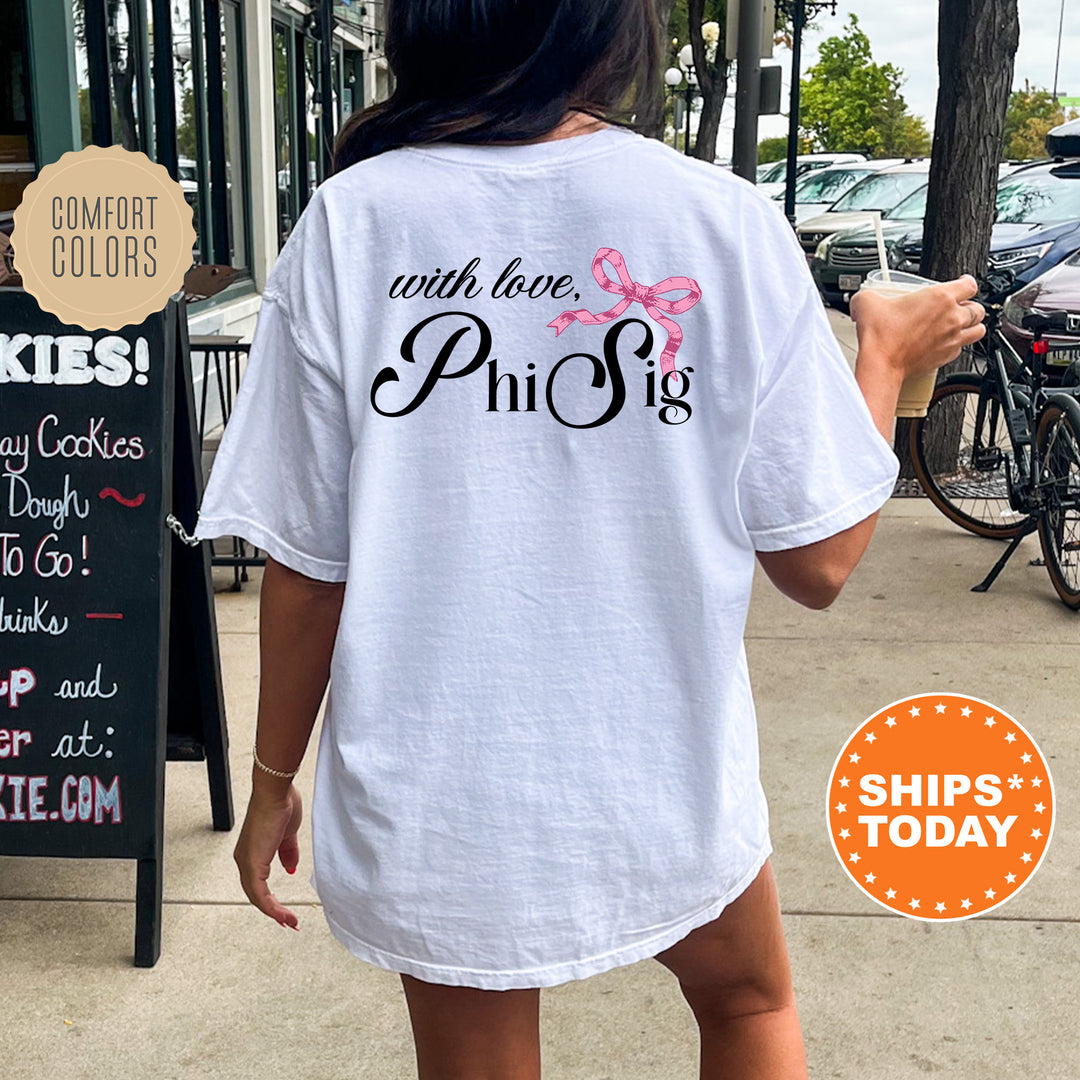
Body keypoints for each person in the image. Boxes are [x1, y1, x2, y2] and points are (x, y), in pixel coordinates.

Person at [194, 2, 986, 1077]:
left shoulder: (351, 222)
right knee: (749, 1005)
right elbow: (820, 561)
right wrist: (884, 362)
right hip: (655, 767)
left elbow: (308, 567)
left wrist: (273, 775)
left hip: (442, 786)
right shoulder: (717, 220)